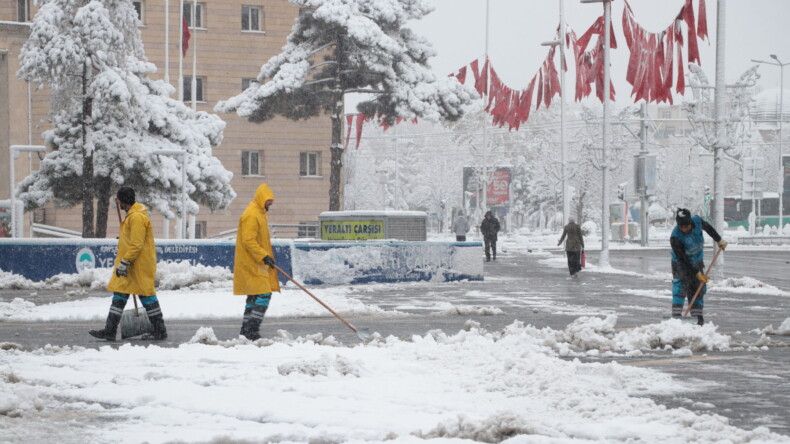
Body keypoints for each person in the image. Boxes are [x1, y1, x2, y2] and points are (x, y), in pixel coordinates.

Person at [90, 187, 167, 341]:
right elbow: (133, 240)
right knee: (119, 295)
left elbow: (137, 244)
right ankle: (110, 331)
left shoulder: (137, 217)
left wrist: (125, 262)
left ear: (122, 201)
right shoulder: (132, 216)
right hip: (132, 265)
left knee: (147, 296)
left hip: (137, 266)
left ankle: (160, 331)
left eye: (119, 201)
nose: (118, 204)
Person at [234, 183, 280, 340]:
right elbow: (248, 240)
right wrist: (263, 256)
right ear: (262, 199)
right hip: (251, 263)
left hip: (257, 263)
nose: (270, 204)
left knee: (253, 296)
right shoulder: (252, 215)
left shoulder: (260, 213)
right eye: (269, 201)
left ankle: (245, 330)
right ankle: (252, 329)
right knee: (263, 294)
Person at [670, 208, 728, 326]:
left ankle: (697, 318)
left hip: (697, 261)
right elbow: (683, 259)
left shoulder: (697, 221)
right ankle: (676, 319)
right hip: (681, 264)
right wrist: (696, 273)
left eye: (686, 226)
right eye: (681, 227)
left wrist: (719, 240)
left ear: (691, 222)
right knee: (680, 288)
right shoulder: (675, 237)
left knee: (697, 289)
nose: (684, 229)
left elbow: (708, 228)